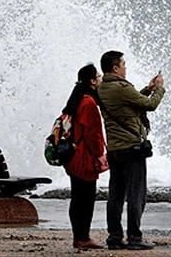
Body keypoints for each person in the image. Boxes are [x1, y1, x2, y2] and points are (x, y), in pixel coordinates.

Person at [98, 50, 165, 251]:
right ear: (115, 68)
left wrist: (147, 88)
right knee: (136, 194)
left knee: (116, 195)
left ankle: (115, 237)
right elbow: (149, 105)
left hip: (115, 149)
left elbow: (130, 102)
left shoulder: (102, 88)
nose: (125, 67)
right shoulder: (121, 87)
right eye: (123, 64)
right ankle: (135, 237)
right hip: (131, 149)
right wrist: (159, 89)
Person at [62, 63, 109, 250]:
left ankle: (78, 236)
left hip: (72, 156)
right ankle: (83, 237)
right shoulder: (89, 103)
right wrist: (100, 154)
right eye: (97, 76)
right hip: (84, 158)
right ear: (91, 81)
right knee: (86, 198)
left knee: (77, 197)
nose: (100, 79)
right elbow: (93, 134)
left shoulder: (75, 100)